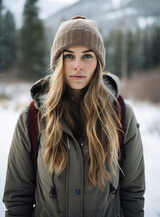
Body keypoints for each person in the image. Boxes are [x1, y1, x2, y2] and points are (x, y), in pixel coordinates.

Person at [3, 15, 145, 217]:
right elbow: (17, 200)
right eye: (69, 56)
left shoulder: (121, 114)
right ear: (58, 62)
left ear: (98, 62)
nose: (78, 65)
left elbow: (133, 194)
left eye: (87, 56)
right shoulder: (32, 117)